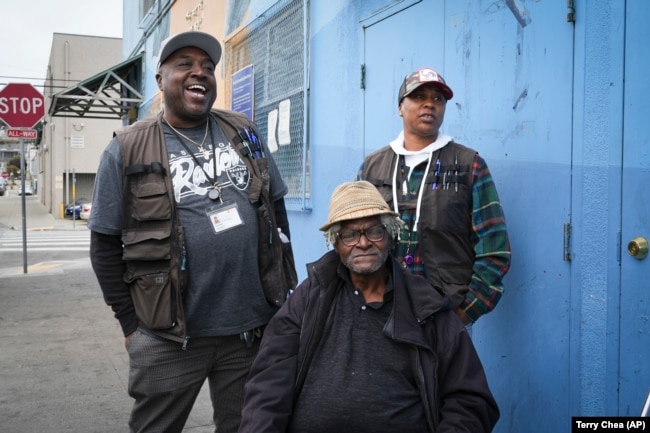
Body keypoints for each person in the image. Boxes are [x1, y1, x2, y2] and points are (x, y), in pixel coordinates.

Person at [88, 31, 294, 433]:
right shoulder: (128, 148)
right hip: (169, 336)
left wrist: (283, 293)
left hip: (250, 332)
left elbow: (276, 212)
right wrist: (131, 326)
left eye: (208, 67)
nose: (199, 72)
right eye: (184, 63)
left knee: (251, 427)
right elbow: (104, 245)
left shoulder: (243, 132)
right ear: (160, 79)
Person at [239, 180, 500, 433]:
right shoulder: (309, 299)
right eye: (350, 235)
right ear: (335, 243)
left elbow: (470, 401)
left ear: (389, 236)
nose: (363, 243)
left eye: (374, 231)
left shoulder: (426, 307)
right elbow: (267, 387)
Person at [357, 67, 511, 328]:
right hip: (381, 309)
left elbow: (495, 249)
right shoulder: (372, 167)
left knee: (443, 371)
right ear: (400, 107)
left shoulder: (468, 165)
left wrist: (463, 315)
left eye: (438, 99)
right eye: (419, 97)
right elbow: (351, 238)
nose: (429, 104)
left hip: (444, 313)